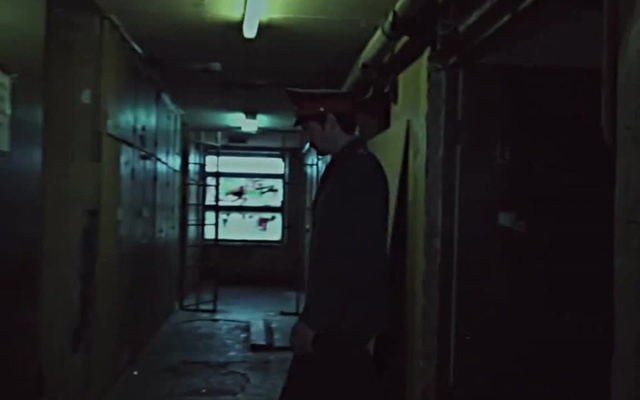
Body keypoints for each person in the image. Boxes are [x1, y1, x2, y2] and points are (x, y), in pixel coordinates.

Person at [278, 88, 391, 400]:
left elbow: (349, 254)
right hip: (341, 318)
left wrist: (314, 320)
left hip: (341, 320)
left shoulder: (357, 172)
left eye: (309, 128)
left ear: (329, 122)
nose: (308, 137)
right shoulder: (347, 166)